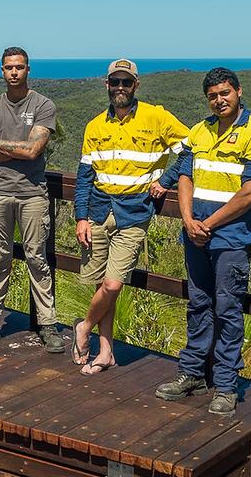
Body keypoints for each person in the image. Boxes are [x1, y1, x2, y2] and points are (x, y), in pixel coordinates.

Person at [152, 67, 251, 414]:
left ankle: (225, 385)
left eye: (225, 93)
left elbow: (250, 192)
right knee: (197, 304)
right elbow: (184, 176)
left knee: (228, 309)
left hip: (231, 237)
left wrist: (204, 223)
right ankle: (192, 372)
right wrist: (188, 220)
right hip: (196, 234)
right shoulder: (199, 131)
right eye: (213, 96)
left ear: (238, 91)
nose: (219, 100)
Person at [72, 59, 189, 374]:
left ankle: (83, 327)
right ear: (106, 85)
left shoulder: (157, 117)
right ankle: (105, 351)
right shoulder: (95, 126)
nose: (120, 88)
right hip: (97, 211)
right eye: (115, 82)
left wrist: (165, 181)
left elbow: (191, 149)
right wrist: (80, 217)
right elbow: (84, 175)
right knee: (100, 283)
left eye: (126, 82)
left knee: (112, 284)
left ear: (136, 85)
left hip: (133, 213)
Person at [0, 47, 63, 352]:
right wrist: (15, 147)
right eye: (9, 67)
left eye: (19, 67)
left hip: (32, 193)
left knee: (37, 258)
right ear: (2, 70)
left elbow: (33, 151)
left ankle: (47, 324)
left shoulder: (43, 105)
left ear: (28, 69)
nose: (14, 72)